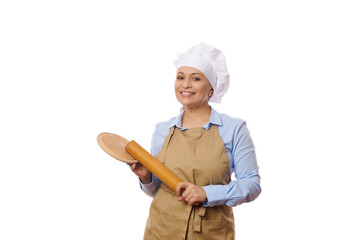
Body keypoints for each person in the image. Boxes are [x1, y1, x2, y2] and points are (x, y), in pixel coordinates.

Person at [129, 43, 261, 240]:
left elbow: (252, 184)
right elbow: (156, 190)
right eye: (180, 77)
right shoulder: (162, 130)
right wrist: (146, 178)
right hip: (161, 230)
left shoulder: (233, 129)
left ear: (210, 89)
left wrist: (207, 193)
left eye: (196, 78)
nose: (185, 85)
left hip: (210, 233)